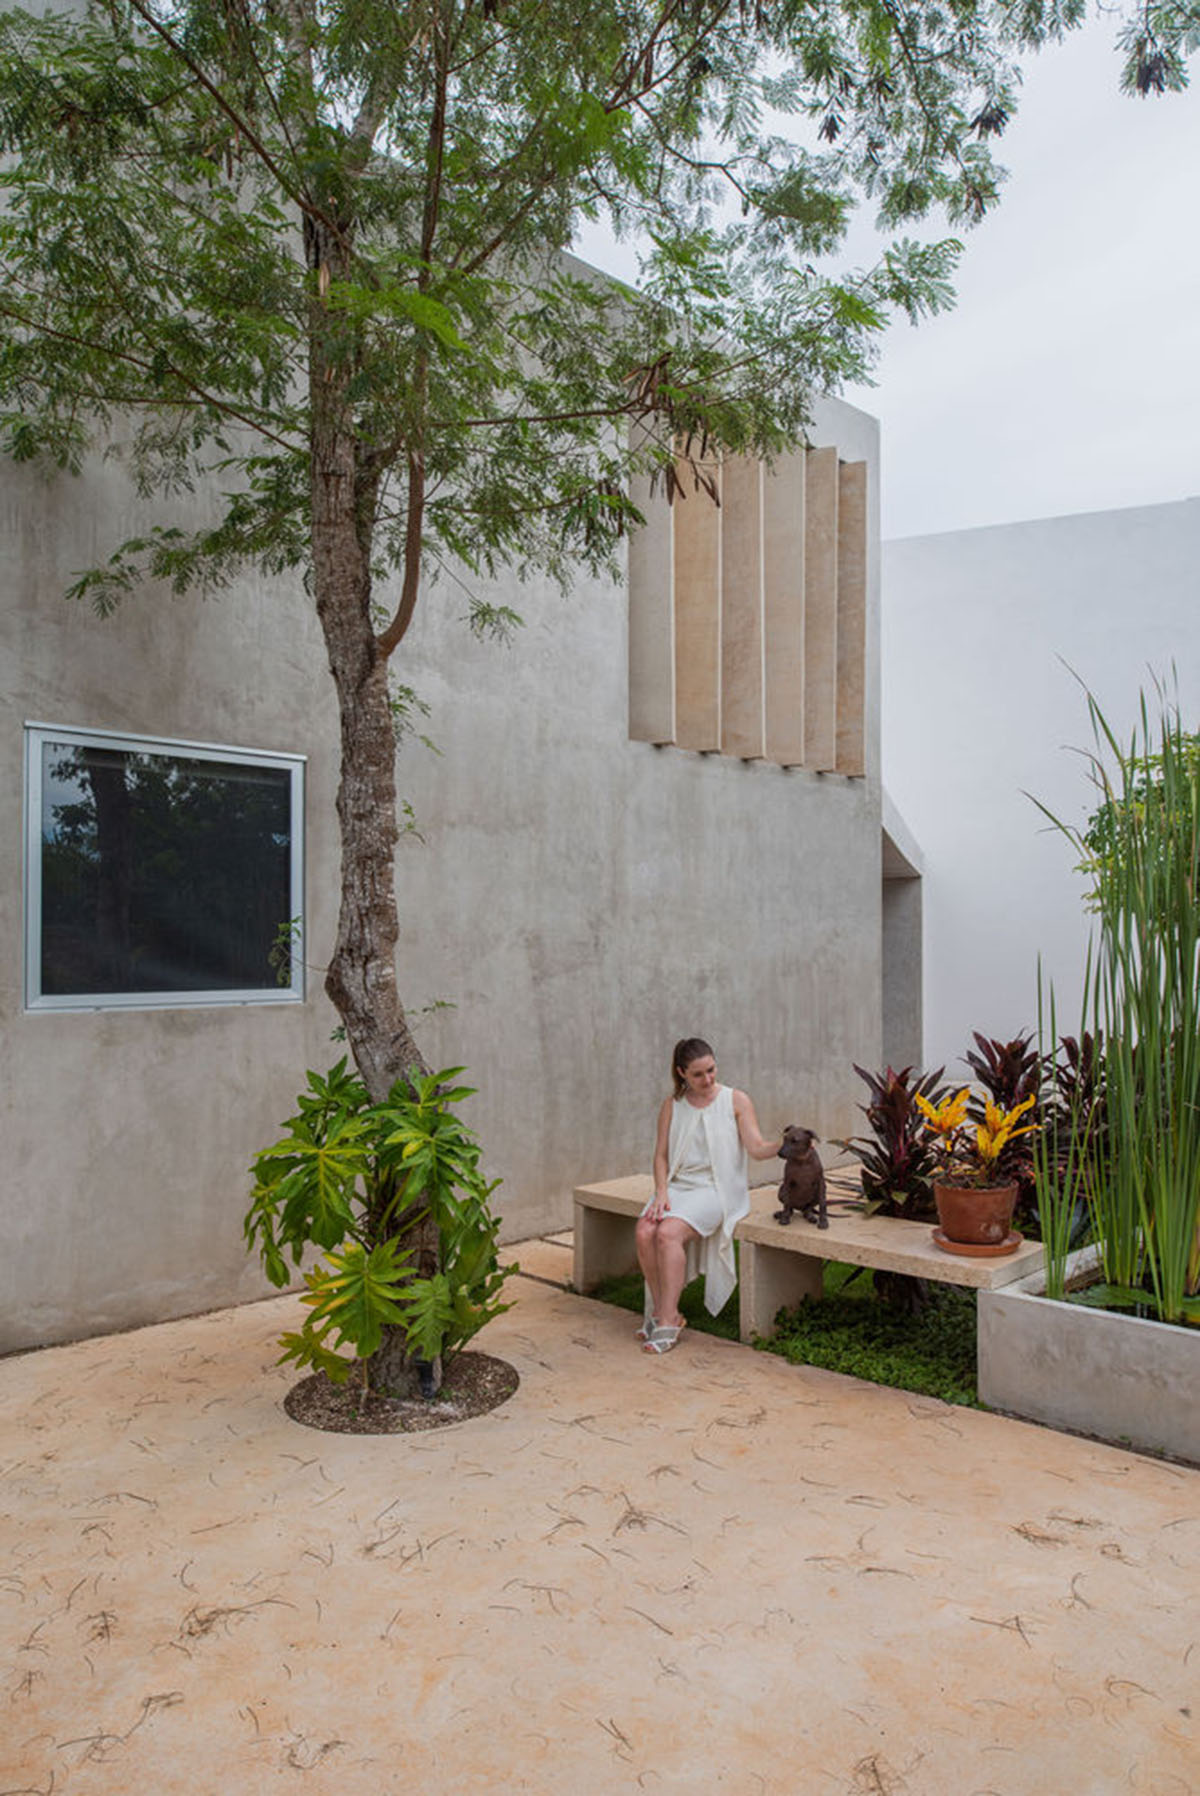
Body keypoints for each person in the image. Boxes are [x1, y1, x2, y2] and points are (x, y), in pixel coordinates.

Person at [636, 1037, 781, 1355]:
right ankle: (664, 1311)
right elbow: (660, 1156)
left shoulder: (735, 1100)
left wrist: (782, 1145)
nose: (708, 1079)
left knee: (667, 1233)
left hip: (716, 1189)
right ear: (681, 1073)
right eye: (698, 1074)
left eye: (711, 1070)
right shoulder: (672, 1106)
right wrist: (661, 1192)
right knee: (645, 1229)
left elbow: (756, 1148)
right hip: (677, 1185)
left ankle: (668, 1320)